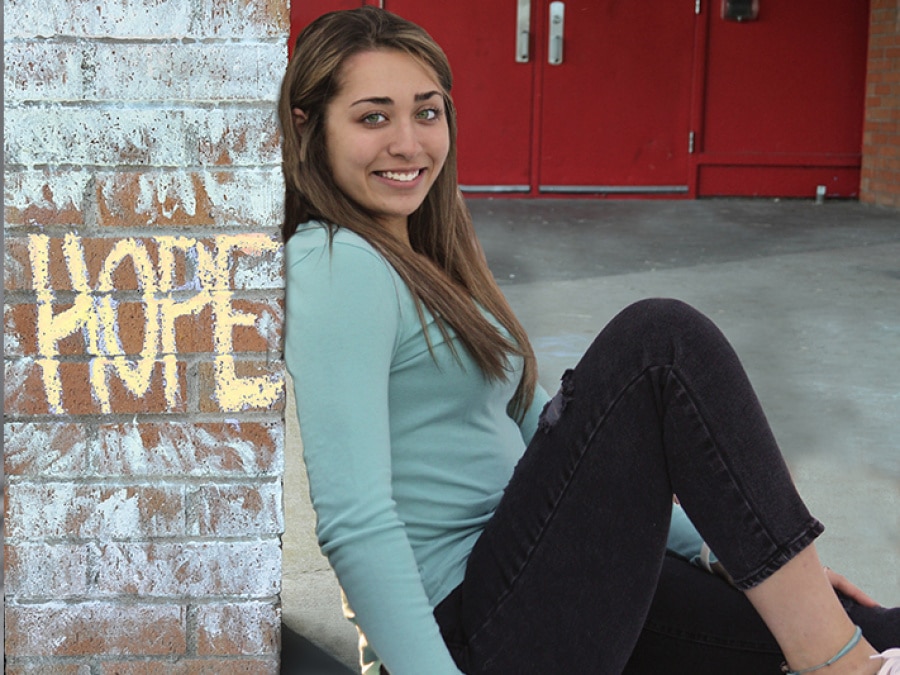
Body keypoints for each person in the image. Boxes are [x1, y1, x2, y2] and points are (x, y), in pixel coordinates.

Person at [280, 7, 900, 674]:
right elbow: (356, 520)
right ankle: (843, 667)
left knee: (872, 624)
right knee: (659, 344)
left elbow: (542, 432)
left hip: (549, 578)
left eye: (426, 112)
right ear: (310, 126)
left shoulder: (430, 258)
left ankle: (845, 649)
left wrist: (746, 560)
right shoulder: (336, 263)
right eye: (374, 117)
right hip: (476, 628)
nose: (409, 141)